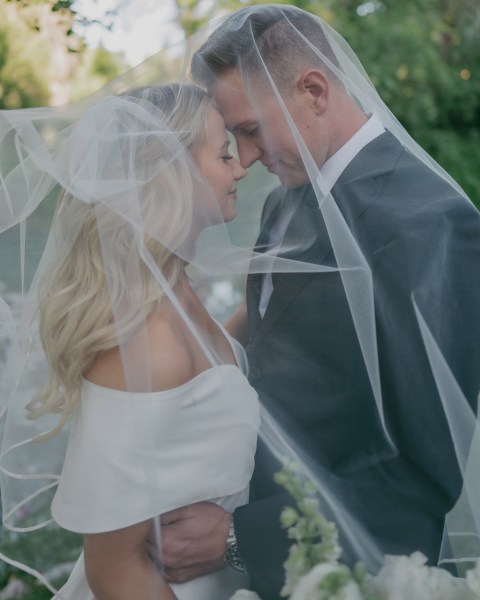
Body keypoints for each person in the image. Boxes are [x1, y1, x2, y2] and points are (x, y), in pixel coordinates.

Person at [155, 6, 480, 600]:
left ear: (313, 90)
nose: (246, 158)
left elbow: (427, 475)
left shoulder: (432, 228)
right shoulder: (290, 197)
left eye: (251, 129)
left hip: (350, 573)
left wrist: (237, 538)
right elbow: (269, 333)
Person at [0, 83, 260, 600]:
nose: (241, 169)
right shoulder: (145, 341)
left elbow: (205, 378)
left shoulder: (171, 288)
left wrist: (268, 303)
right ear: (173, 174)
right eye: (224, 153)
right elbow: (115, 568)